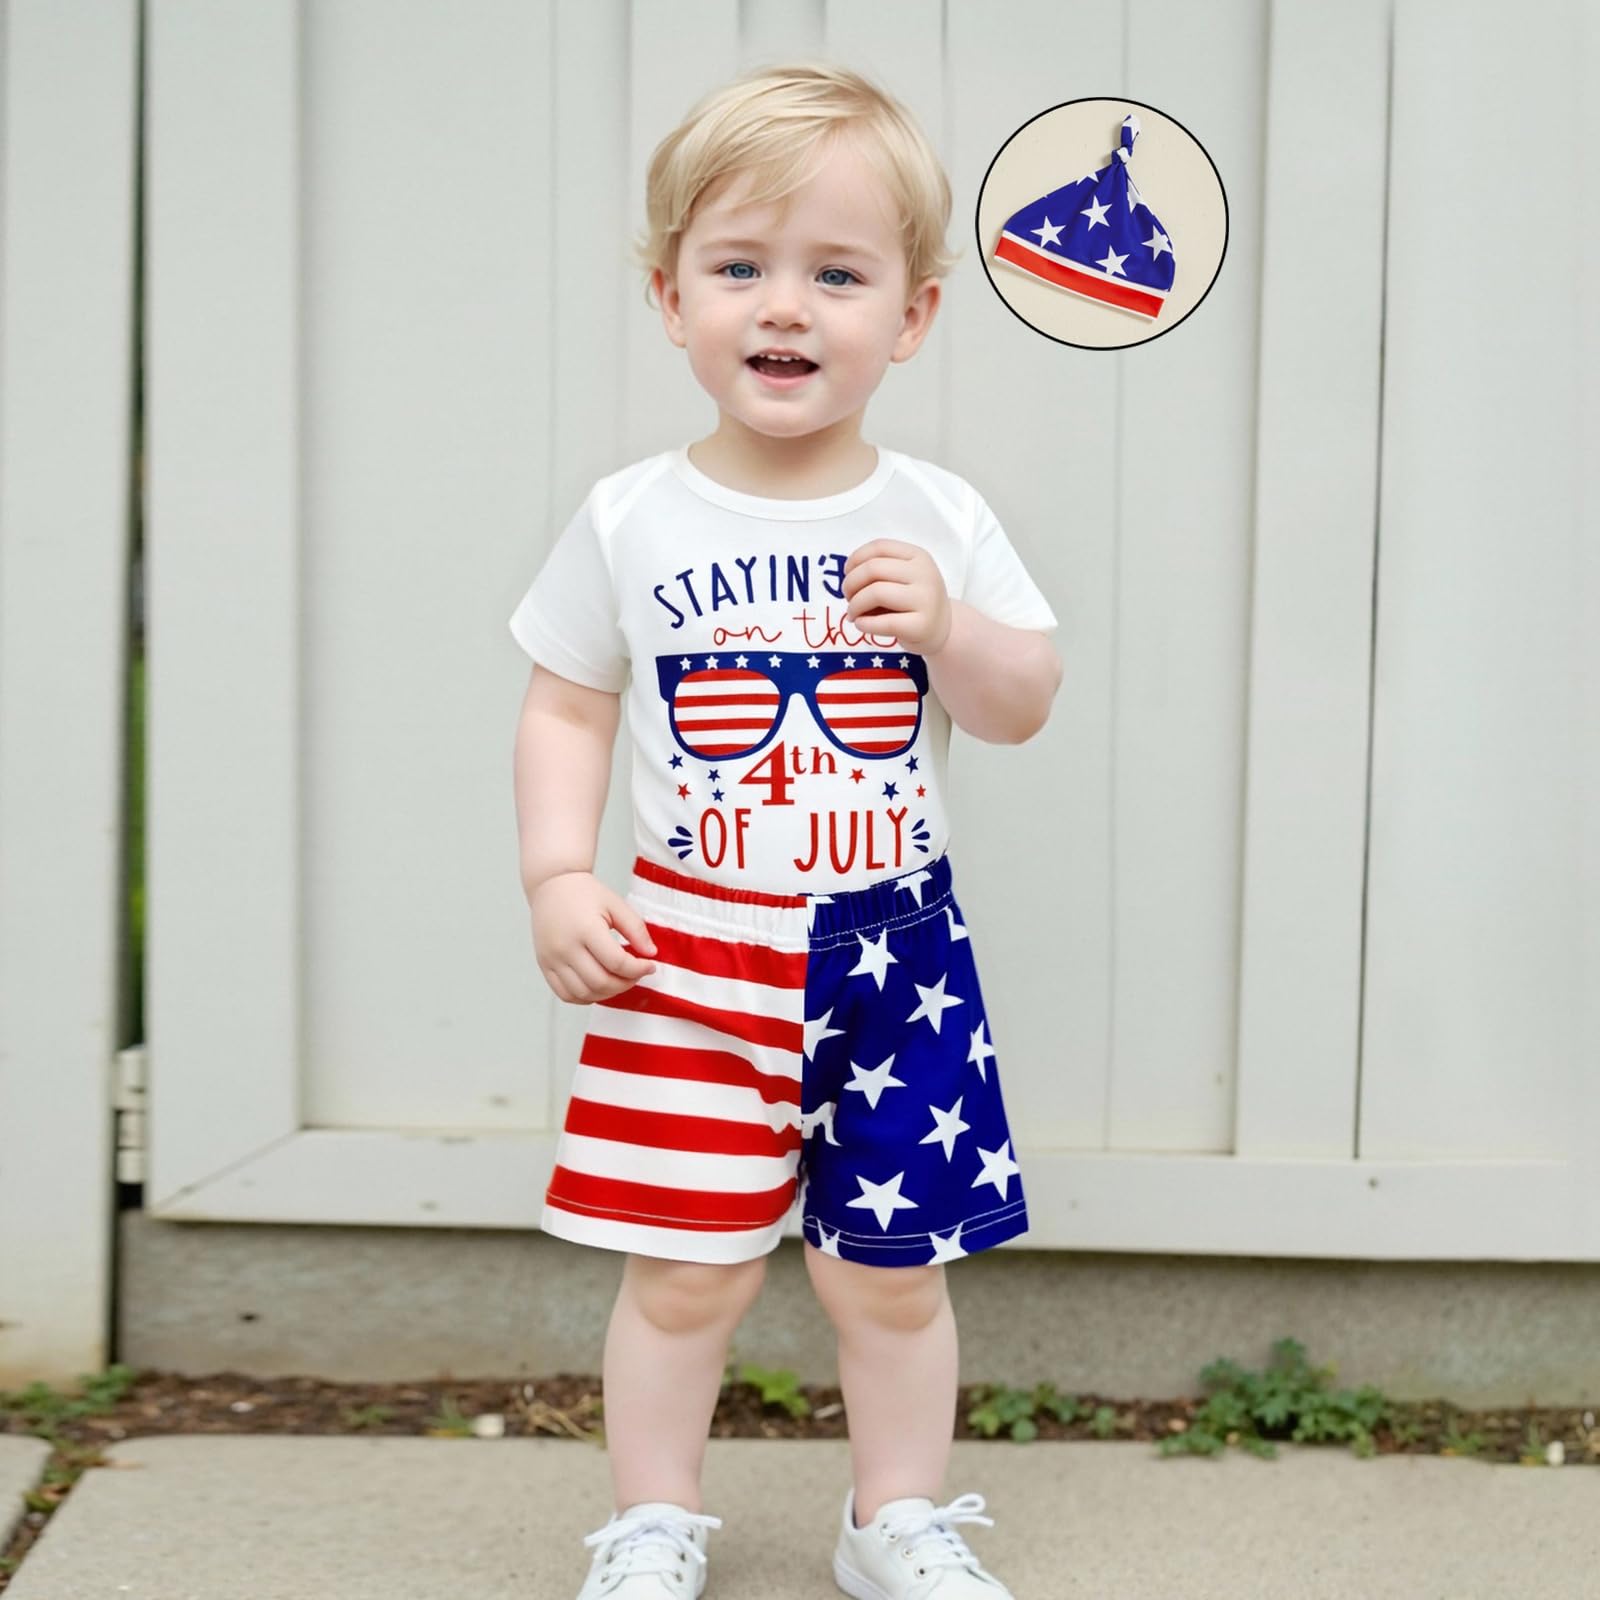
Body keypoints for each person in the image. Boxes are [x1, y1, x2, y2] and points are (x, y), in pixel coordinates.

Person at [509, 59, 1061, 1600]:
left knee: (883, 1273)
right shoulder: (633, 518)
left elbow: (1022, 703)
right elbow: (567, 702)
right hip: (688, 953)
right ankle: (652, 1521)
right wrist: (560, 873)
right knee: (686, 1271)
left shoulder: (939, 517)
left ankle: (894, 1518)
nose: (785, 309)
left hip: (890, 951)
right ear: (670, 294)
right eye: (740, 267)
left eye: (837, 273)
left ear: (915, 314)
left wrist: (949, 628)